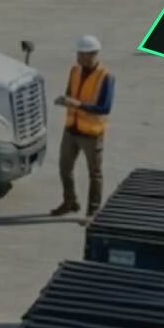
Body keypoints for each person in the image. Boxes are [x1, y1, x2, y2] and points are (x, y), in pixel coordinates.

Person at [50, 35, 114, 219]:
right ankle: (70, 202)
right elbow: (71, 93)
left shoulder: (106, 77)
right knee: (64, 168)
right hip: (71, 129)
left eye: (82, 54)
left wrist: (77, 105)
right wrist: (65, 101)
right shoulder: (75, 71)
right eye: (78, 54)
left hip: (91, 134)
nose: (78, 58)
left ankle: (93, 212)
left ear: (93, 55)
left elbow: (105, 107)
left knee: (95, 174)